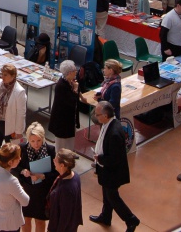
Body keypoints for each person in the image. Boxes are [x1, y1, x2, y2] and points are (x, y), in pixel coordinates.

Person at [89, 101, 140, 232]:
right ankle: (106, 217)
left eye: (97, 114)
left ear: (105, 115)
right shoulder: (108, 124)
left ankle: (131, 219)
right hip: (106, 169)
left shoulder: (115, 133)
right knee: (106, 194)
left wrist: (99, 158)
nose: (95, 116)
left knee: (112, 197)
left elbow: (114, 159)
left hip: (113, 172)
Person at [12, 122, 57, 232]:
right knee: (26, 220)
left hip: (42, 193)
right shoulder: (22, 149)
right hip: (26, 191)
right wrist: (23, 171)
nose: (36, 144)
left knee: (40, 221)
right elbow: (13, 168)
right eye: (32, 141)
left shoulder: (50, 150)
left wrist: (43, 176)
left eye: (38, 141)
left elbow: (56, 173)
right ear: (28, 139)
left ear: (43, 138)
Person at [0, 64, 27, 174]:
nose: (2, 77)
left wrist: (19, 131)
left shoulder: (19, 91)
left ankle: (8, 173)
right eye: (2, 74)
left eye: (5, 75)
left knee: (10, 152)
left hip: (8, 126)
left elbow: (21, 114)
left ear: (13, 76)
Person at [0, 143, 30, 232]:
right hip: (10, 221)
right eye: (18, 157)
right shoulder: (11, 181)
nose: (20, 158)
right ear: (10, 162)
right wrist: (20, 188)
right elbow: (25, 201)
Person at [48, 60, 81, 151]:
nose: (76, 72)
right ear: (70, 73)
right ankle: (60, 160)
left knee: (70, 140)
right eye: (75, 70)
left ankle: (69, 156)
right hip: (61, 121)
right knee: (61, 144)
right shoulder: (61, 85)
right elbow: (71, 102)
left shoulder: (71, 81)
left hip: (70, 119)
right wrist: (75, 90)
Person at [47, 148, 82, 232]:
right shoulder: (75, 175)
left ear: (62, 165)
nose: (53, 161)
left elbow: (65, 216)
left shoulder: (66, 189)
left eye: (55, 160)